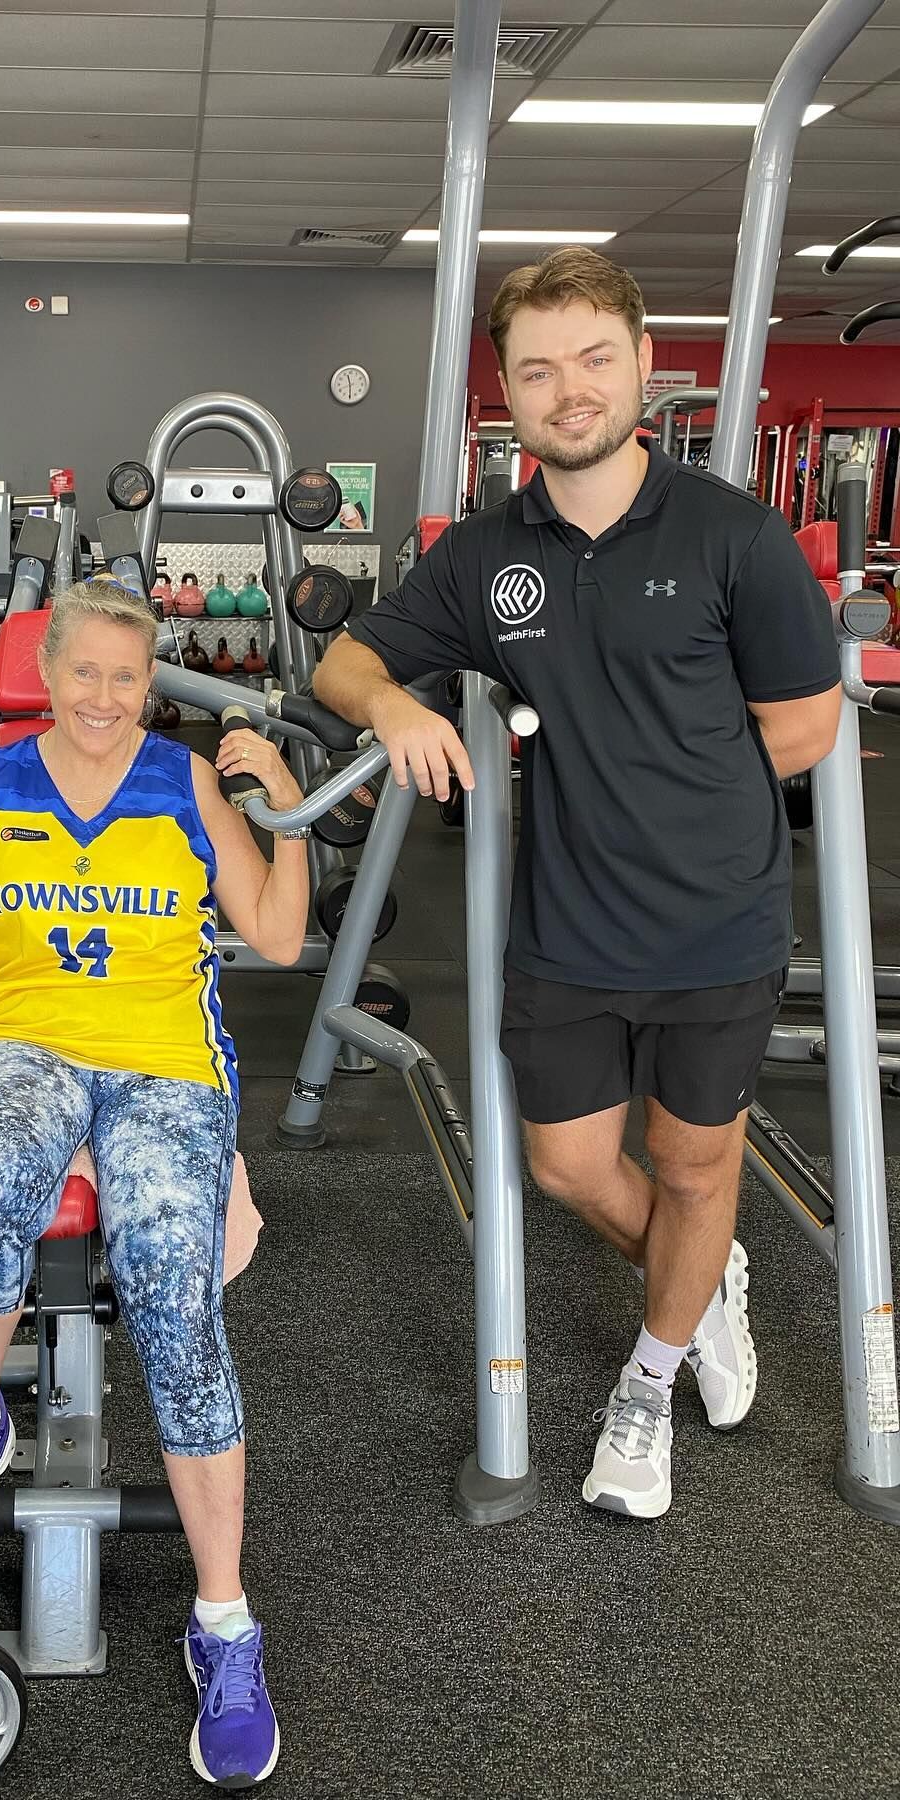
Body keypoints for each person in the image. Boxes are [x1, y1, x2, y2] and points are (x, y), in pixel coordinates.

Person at [314, 246, 842, 1521]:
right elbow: (342, 661)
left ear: (644, 366)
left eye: (594, 359)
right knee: (567, 1170)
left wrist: (675, 801)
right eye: (539, 369)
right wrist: (393, 707)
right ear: (508, 394)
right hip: (567, 925)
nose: (570, 390)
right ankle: (705, 1282)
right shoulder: (491, 554)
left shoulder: (734, 534)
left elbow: (809, 723)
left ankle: (648, 1382)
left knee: (695, 1162)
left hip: (717, 921)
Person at [0, 580, 308, 1785]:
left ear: (149, 687)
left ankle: (225, 1628)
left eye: (126, 679)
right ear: (49, 672)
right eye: (84, 673)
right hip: (22, 1041)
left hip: (163, 1060)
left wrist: (289, 816)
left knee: (171, 1290)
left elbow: (281, 934)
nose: (104, 698)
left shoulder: (186, 782)